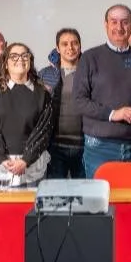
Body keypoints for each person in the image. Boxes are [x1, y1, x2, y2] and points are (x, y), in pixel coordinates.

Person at [74, 4, 131, 176]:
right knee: (100, 202)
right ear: (106, 25)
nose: (119, 27)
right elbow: (79, 101)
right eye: (114, 22)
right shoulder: (89, 58)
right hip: (99, 147)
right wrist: (113, 114)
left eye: (124, 22)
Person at [0, 43, 53, 187]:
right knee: (0, 210)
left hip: (31, 164)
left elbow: (44, 131)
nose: (20, 59)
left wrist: (25, 160)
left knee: (32, 209)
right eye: (14, 56)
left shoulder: (42, 93)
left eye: (25, 55)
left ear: (30, 61)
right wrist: (1, 158)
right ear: (5, 63)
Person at [38, 28, 85, 178]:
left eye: (74, 43)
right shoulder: (45, 74)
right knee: (56, 195)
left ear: (80, 46)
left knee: (85, 195)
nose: (70, 48)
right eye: (64, 44)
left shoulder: (90, 72)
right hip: (55, 147)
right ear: (57, 48)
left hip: (85, 147)